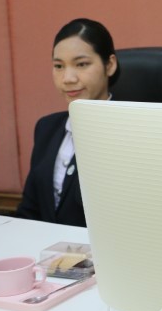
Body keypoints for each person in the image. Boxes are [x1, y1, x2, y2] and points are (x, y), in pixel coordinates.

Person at [16, 18, 119, 227]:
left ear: (109, 65)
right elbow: (29, 210)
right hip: (44, 245)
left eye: (81, 64)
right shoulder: (46, 128)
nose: (68, 78)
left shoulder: (132, 133)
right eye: (59, 66)